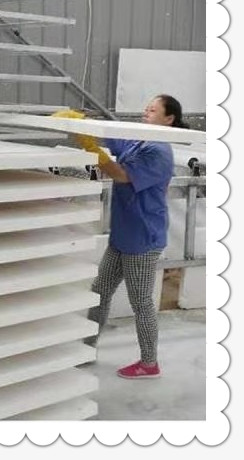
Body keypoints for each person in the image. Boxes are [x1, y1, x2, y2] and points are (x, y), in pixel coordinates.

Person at [53, 94, 189, 379]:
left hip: (142, 239)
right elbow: (114, 137)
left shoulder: (158, 152)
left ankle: (149, 363)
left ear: (169, 119)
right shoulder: (139, 140)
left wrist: (93, 150)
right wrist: (84, 123)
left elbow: (121, 175)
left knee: (141, 303)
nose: (146, 112)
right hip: (123, 234)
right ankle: (87, 348)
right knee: (100, 291)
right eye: (146, 108)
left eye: (153, 110)